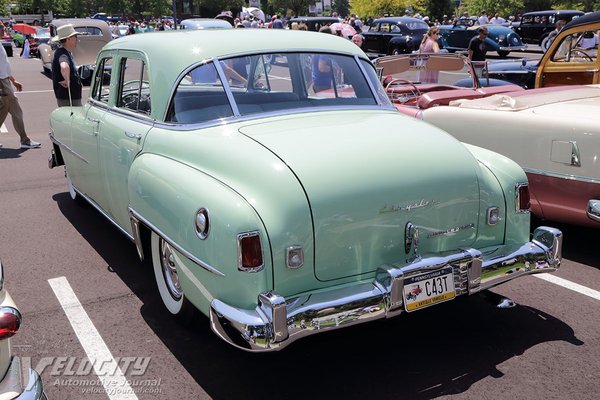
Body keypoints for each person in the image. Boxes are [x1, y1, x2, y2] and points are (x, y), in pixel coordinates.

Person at [0, 44, 41, 149]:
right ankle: (24, 140)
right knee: (16, 111)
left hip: (5, 81)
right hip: (2, 83)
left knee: (4, 111)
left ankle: (24, 139)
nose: (2, 29)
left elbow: (3, 67)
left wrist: (13, 80)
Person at [52, 24, 83, 107]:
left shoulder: (63, 52)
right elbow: (64, 66)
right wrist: (67, 80)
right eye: (75, 36)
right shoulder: (62, 54)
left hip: (69, 96)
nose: (77, 39)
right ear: (69, 39)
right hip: (69, 97)